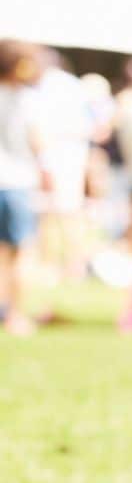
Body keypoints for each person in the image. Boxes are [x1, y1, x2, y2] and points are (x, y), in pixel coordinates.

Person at [0, 40, 46, 335]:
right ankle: (15, 315)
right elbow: (37, 141)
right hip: (16, 181)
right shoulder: (26, 100)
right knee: (21, 252)